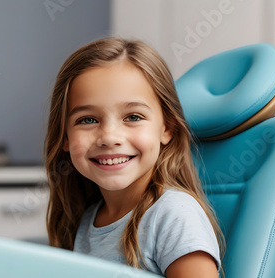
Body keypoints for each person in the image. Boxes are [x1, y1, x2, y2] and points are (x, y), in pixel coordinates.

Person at [44, 37, 224, 278]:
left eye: (133, 117)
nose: (109, 137)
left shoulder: (174, 216)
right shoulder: (87, 218)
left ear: (167, 128)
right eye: (88, 119)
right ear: (64, 136)